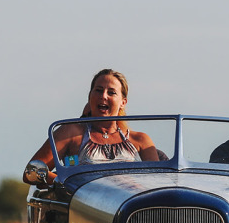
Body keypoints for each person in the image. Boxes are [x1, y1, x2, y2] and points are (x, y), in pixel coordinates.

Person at [24, 69, 159, 182]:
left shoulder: (141, 140)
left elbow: (158, 182)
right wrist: (67, 184)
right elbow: (31, 171)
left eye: (111, 92)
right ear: (90, 96)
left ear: (123, 102)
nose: (103, 96)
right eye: (99, 90)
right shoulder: (70, 133)